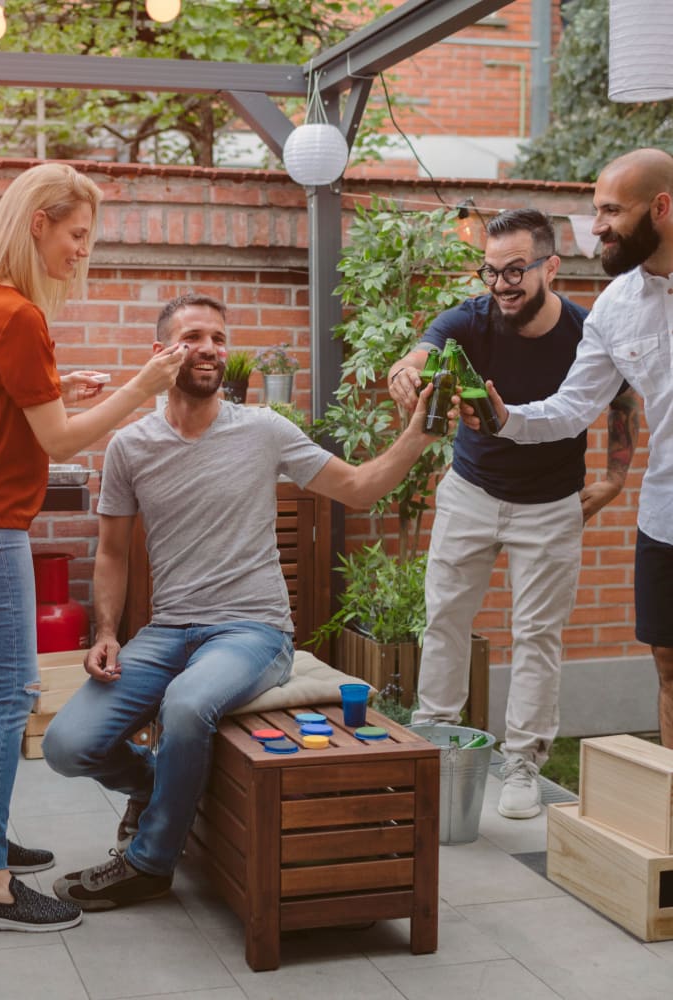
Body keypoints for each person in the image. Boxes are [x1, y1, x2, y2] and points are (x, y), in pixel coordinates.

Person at [42, 292, 443, 913]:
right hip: (169, 630)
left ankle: (149, 863)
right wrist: (105, 633)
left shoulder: (263, 430)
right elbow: (113, 553)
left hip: (254, 632)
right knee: (67, 744)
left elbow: (360, 489)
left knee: (188, 702)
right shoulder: (130, 446)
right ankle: (159, 789)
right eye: (193, 336)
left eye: (219, 339)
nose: (210, 349)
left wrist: (417, 435)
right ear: (161, 353)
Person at [0, 162, 186, 934]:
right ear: (38, 222)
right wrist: (142, 388)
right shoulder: (17, 314)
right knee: (8, 694)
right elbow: (60, 440)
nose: (84, 250)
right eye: (77, 234)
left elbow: (1, 408)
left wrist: (56, 385)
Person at [387, 208, 639, 820]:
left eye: (515, 270)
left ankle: (523, 762)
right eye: (492, 271)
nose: (500, 284)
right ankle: (434, 740)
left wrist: (612, 478)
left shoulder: (587, 328)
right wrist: (403, 373)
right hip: (471, 493)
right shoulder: (471, 320)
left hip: (551, 506)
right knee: (445, 619)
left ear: (550, 267)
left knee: (537, 638)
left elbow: (624, 399)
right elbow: (418, 354)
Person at [464, 149, 673, 749]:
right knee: (669, 666)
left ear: (660, 208)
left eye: (611, 210)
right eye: (595, 209)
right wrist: (505, 419)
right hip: (665, 517)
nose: (597, 226)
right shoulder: (614, 309)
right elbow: (571, 409)